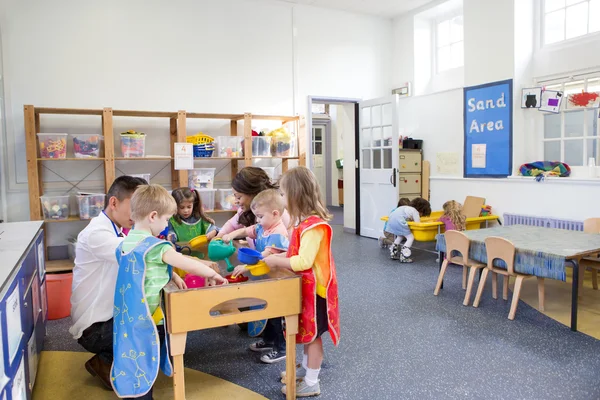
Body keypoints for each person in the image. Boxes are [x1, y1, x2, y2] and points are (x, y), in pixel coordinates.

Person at [111, 184, 227, 399]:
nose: (166, 225)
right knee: (145, 360)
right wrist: (212, 274)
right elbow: (184, 262)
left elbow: (143, 268)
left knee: (132, 357)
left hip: (127, 314)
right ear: (153, 216)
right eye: (166, 220)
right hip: (148, 317)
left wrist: (170, 273)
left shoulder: (125, 242)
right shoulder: (157, 246)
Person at [263, 166, 340, 398]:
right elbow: (296, 253)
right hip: (307, 288)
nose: (282, 200)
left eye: (284, 195)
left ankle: (312, 382)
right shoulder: (303, 223)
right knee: (307, 334)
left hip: (317, 292)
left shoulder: (314, 226)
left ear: (296, 195)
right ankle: (307, 370)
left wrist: (277, 260)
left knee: (313, 337)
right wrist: (279, 253)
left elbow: (304, 262)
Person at [70, 175, 147, 390]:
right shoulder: (97, 233)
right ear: (114, 202)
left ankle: (109, 359)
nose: (138, 215)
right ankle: (106, 360)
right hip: (94, 328)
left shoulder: (118, 228)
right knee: (156, 326)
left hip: (106, 316)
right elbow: (140, 252)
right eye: (135, 207)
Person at [216, 167, 291, 361]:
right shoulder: (262, 217)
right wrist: (226, 235)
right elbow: (247, 229)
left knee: (277, 310)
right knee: (268, 307)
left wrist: (247, 266)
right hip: (268, 272)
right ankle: (268, 340)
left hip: (280, 274)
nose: (237, 201)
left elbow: (266, 255)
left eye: (239, 196)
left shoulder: (277, 226)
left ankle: (281, 348)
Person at [167, 187, 218, 261]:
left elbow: (214, 228)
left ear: (194, 205)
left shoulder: (200, 217)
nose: (186, 210)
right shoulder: (172, 220)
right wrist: (171, 236)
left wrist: (213, 231)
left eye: (189, 207)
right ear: (175, 206)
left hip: (202, 258)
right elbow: (171, 232)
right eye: (182, 207)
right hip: (182, 258)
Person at [384, 197, 431, 263]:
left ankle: (393, 253)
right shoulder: (415, 212)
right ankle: (404, 256)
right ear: (422, 210)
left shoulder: (405, 208)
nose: (421, 216)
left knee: (400, 236)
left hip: (391, 220)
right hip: (399, 221)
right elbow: (418, 224)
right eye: (422, 215)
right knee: (410, 237)